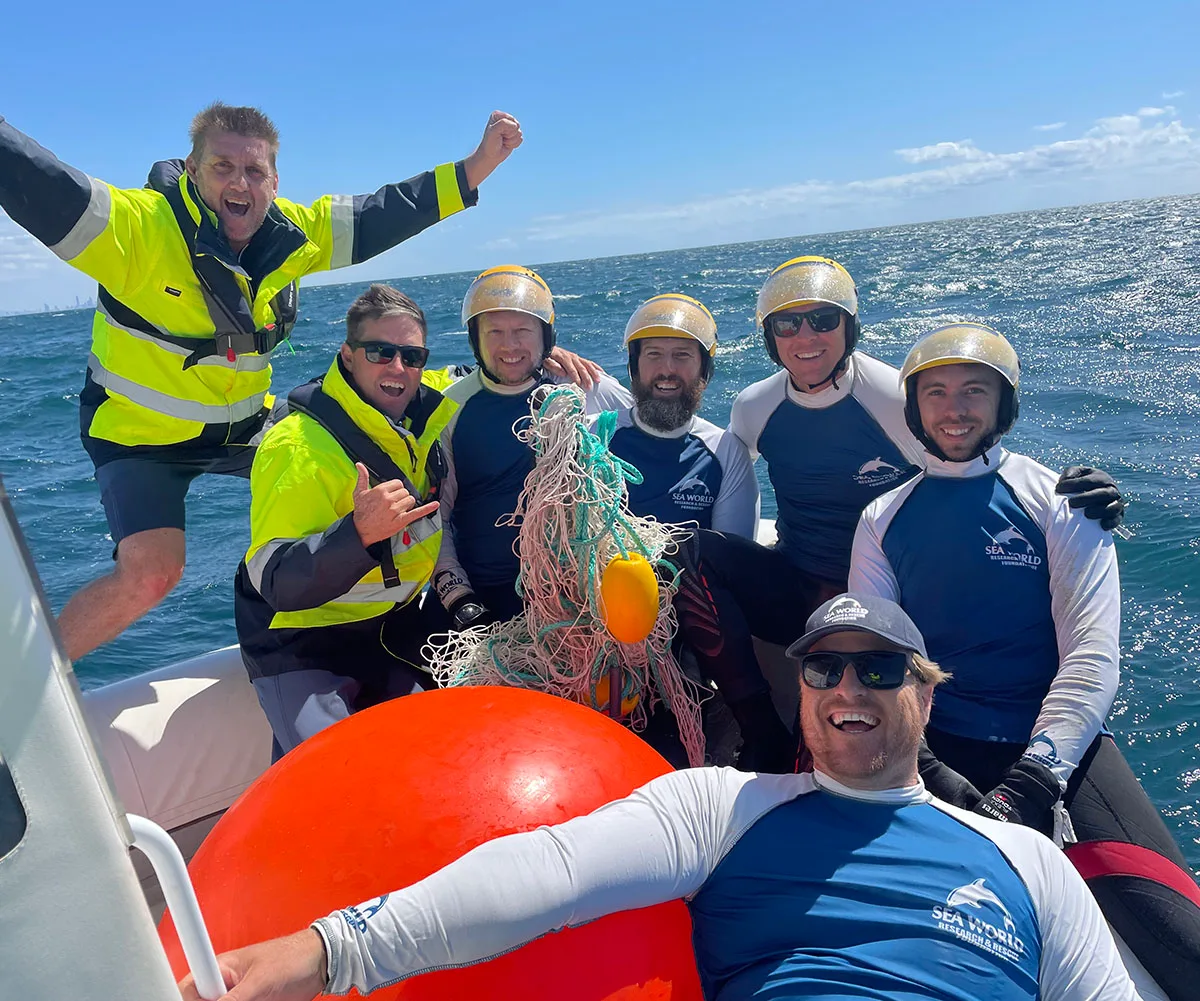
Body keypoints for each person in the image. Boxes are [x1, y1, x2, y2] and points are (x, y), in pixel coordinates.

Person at [178, 594, 1139, 1001]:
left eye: (879, 669)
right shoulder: (720, 808)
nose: (848, 691)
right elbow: (544, 870)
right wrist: (328, 949)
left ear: (925, 694)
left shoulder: (1029, 863)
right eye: (824, 670)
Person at [0, 103, 522, 662]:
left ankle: (376, 617)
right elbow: (40, 180)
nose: (239, 182)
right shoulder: (138, 231)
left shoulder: (292, 236)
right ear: (193, 169)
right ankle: (27, 685)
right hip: (141, 440)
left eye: (254, 172)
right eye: (222, 167)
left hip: (243, 424)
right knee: (151, 575)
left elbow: (377, 216)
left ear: (274, 181)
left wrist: (474, 169)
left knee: (358, 459)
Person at [849, 322, 1199, 1000]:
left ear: (1004, 405)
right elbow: (880, 659)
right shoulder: (881, 519)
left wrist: (1033, 782)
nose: (954, 409)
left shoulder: (1063, 504)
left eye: (974, 391)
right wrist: (926, 769)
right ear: (914, 407)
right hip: (934, 751)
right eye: (938, 393)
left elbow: (1092, 656)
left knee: (1184, 947)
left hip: (1061, 760)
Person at [670, 255, 1126, 772]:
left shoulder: (890, 396)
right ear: (769, 338)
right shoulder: (754, 406)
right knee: (692, 549)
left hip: (883, 594)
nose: (806, 336)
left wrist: (1080, 492)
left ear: (850, 327)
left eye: (823, 319)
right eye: (787, 324)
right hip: (800, 580)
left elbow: (960, 451)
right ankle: (757, 728)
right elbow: (725, 468)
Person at [233, 285, 455, 755]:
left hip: (388, 629)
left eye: (411, 356)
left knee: (447, 748)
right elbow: (279, 584)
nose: (398, 368)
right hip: (301, 645)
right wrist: (358, 535)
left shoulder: (415, 407)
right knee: (335, 775)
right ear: (349, 357)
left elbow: (464, 374)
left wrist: (536, 351)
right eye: (380, 352)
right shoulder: (297, 448)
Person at [431, 265, 630, 629]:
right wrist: (459, 597)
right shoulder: (449, 410)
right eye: (495, 332)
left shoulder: (584, 388)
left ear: (546, 337)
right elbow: (435, 517)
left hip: (577, 596)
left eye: (523, 331)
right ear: (475, 339)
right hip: (484, 597)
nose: (509, 345)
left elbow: (658, 424)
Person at [605, 293, 758, 537]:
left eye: (682, 355)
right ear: (634, 367)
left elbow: (734, 556)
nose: (667, 369)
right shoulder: (594, 436)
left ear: (704, 370)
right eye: (654, 354)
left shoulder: (725, 452)